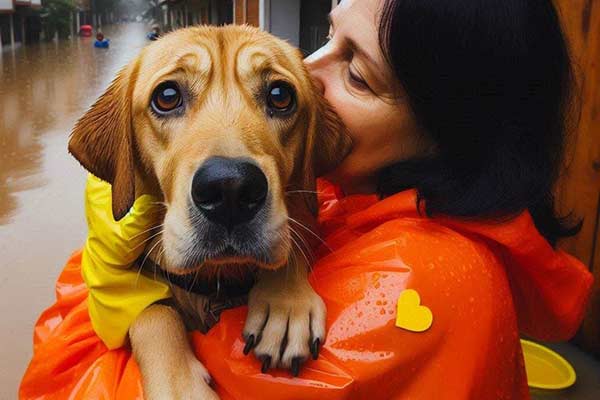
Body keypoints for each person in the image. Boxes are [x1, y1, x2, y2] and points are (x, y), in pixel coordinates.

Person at [20, 0, 593, 399]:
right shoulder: (351, 193)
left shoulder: (425, 280)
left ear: (451, 127)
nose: (307, 73)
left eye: (358, 72)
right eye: (328, 36)